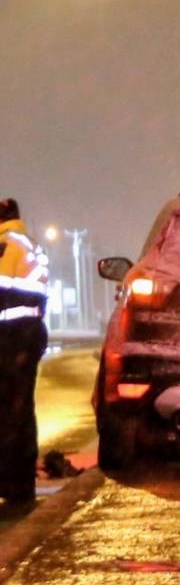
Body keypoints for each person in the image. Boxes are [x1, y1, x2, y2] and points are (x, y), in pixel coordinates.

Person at [0, 200, 49, 505]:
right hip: (27, 335)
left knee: (8, 413)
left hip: (9, 337)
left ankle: (11, 482)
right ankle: (20, 483)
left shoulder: (6, 245)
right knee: (20, 411)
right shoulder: (30, 244)